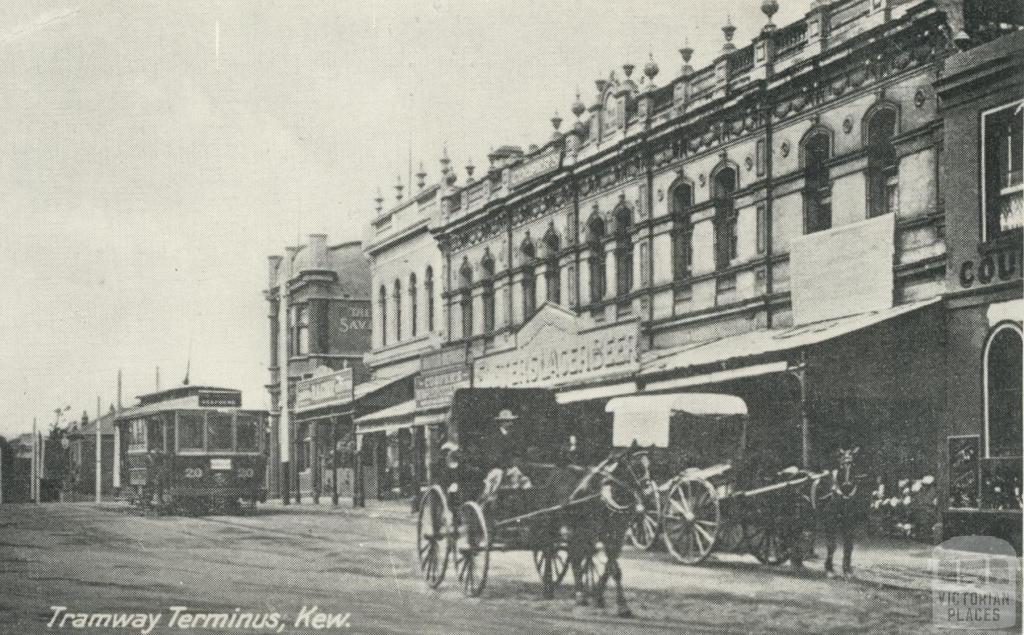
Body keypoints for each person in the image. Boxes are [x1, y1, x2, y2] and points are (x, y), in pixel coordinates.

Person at [480, 409, 532, 500]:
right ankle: (489, 499)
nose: (511, 423)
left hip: (511, 467)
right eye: (508, 421)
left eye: (511, 421)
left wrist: (515, 463)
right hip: (497, 468)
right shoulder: (493, 437)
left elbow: (517, 451)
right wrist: (506, 466)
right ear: (502, 422)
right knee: (496, 479)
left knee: (525, 481)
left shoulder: (512, 435)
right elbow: (492, 456)